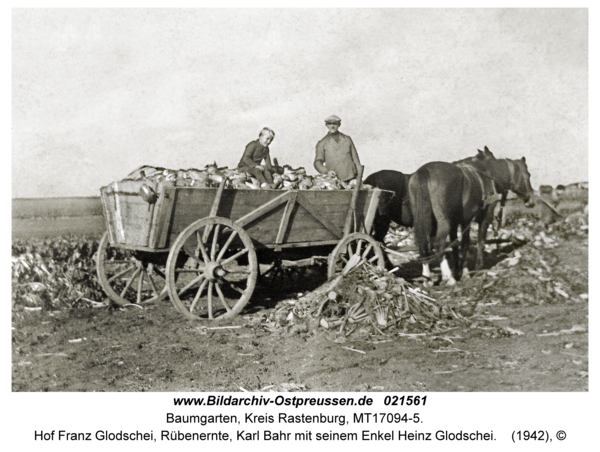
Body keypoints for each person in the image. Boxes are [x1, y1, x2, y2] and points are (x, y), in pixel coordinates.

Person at [314, 115, 361, 182]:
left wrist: (359, 177)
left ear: (339, 125)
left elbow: (356, 160)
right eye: (330, 124)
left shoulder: (347, 139)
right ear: (326, 125)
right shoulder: (322, 143)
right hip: (334, 179)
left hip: (351, 177)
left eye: (335, 124)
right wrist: (327, 172)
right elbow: (317, 162)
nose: (332, 126)